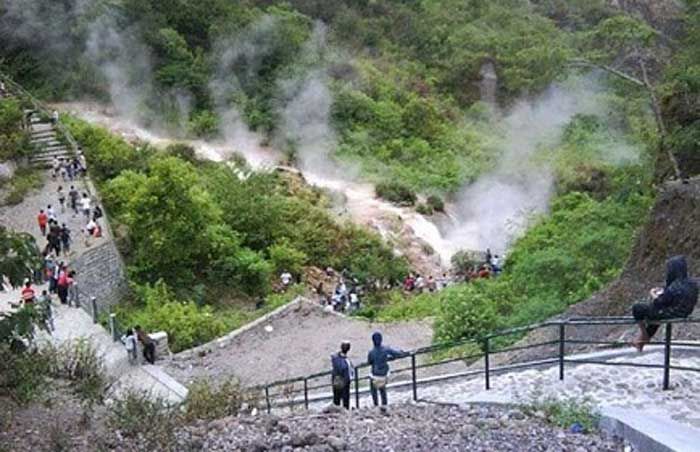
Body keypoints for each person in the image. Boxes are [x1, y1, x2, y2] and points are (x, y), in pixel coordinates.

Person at [632, 256, 699, 351]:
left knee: (638, 308)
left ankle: (643, 334)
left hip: (671, 313)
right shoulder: (692, 284)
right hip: (684, 312)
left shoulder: (674, 285)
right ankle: (642, 340)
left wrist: (653, 294)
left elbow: (660, 302)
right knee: (656, 314)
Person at [367, 332, 407, 409]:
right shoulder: (386, 349)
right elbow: (397, 353)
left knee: (373, 389)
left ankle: (376, 405)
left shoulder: (371, 352)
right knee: (383, 390)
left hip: (375, 375)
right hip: (383, 374)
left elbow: (369, 362)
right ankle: (384, 405)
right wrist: (402, 352)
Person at [331, 341, 353, 409]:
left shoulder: (335, 358)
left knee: (336, 399)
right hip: (344, 382)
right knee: (345, 400)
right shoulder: (346, 361)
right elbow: (347, 370)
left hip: (336, 381)